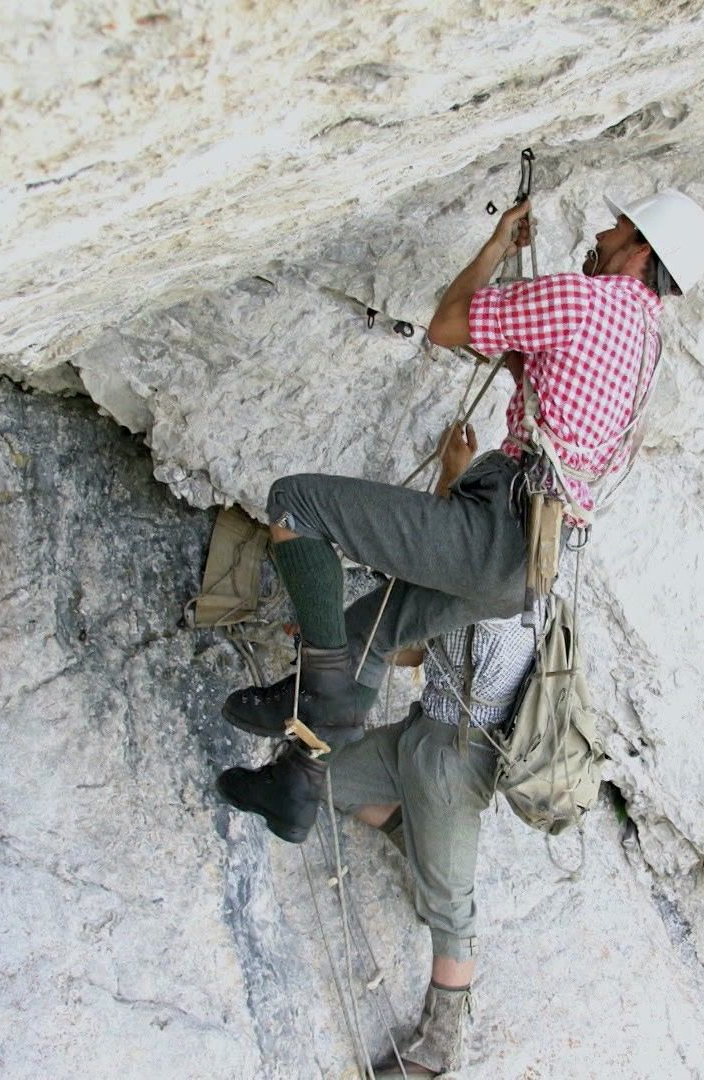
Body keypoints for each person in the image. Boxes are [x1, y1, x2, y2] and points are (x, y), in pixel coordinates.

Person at [220, 187, 704, 831]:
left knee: (296, 501)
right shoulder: (645, 348)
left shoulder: (583, 300)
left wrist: (495, 247)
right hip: (534, 566)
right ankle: (296, 786)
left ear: (640, 246)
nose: (601, 234)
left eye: (616, 227)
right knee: (372, 632)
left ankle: (322, 693)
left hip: (496, 529)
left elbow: (447, 324)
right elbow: (556, 394)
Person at [218, 422, 537, 1078]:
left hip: (456, 759)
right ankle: (400, 831)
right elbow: (427, 603)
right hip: (419, 740)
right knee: (321, 783)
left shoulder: (513, 601)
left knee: (450, 905)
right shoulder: (481, 584)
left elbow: (440, 599)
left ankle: (438, 1047)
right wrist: (451, 476)